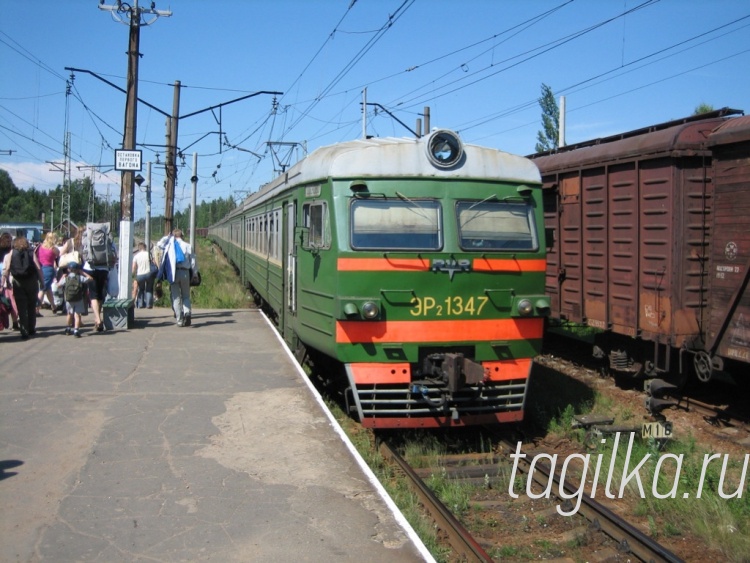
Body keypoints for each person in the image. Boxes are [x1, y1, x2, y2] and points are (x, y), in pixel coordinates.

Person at [1, 236, 43, 339]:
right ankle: (31, 328)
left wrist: (2, 284)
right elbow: (38, 268)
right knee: (31, 305)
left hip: (18, 282)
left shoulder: (11, 254)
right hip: (32, 281)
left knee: (21, 307)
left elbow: (6, 270)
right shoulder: (31, 252)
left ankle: (24, 330)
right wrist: (42, 281)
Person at [157, 229, 197, 327]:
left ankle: (179, 320)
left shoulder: (169, 245)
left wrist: (167, 236)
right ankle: (187, 312)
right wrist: (195, 274)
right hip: (185, 272)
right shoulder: (188, 246)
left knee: (176, 297)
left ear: (173, 236)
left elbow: (159, 244)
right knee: (186, 295)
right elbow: (193, 262)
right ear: (182, 235)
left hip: (174, 273)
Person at [58, 262, 93, 337]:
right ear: (77, 270)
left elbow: (58, 285)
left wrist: (62, 277)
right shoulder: (80, 277)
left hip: (69, 299)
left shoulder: (66, 278)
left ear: (68, 269)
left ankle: (68, 328)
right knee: (77, 315)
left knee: (69, 314)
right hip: (78, 298)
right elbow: (90, 278)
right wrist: (83, 273)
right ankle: (76, 330)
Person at [37, 231, 61, 314]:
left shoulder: (40, 247)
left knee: (48, 289)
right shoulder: (53, 248)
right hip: (49, 269)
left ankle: (53, 306)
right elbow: (59, 254)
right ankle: (36, 309)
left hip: (40, 268)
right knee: (43, 289)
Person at [0, 232, 20, 331]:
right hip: (8, 277)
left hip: (2, 276)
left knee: (3, 302)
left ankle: (2, 322)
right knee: (11, 301)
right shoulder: (11, 251)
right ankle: (15, 321)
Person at [132, 242, 155, 309]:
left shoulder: (136, 256)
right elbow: (154, 262)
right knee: (149, 289)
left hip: (140, 275)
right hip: (149, 274)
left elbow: (134, 267)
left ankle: (141, 304)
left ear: (139, 248)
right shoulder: (148, 254)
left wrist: (133, 275)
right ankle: (149, 305)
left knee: (141, 289)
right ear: (145, 247)